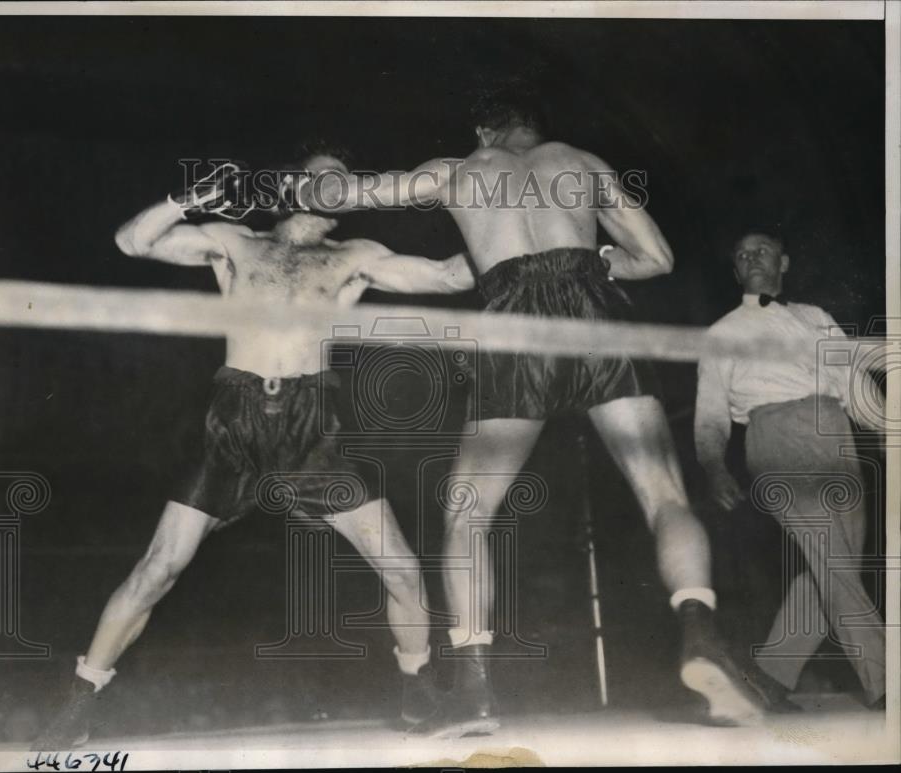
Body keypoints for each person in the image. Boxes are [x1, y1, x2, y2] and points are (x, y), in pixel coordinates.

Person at [295, 86, 765, 735]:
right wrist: (599, 260)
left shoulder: (459, 170)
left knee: (467, 512)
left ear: (483, 132)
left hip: (515, 319)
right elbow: (658, 259)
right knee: (664, 493)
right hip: (595, 311)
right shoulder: (584, 163)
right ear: (535, 129)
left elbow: (345, 196)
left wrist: (311, 180)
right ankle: (701, 634)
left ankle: (475, 690)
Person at [32, 149, 476, 750]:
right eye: (322, 177)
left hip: (313, 430)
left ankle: (417, 690)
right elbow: (133, 242)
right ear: (292, 184)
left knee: (400, 566)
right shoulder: (234, 242)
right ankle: (78, 702)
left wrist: (507, 232)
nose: (333, 188)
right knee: (158, 567)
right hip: (233, 426)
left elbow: (450, 276)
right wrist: (188, 200)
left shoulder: (356, 256)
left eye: (343, 183)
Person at [694, 231, 886, 711]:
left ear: (784, 262)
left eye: (761, 250)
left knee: (837, 568)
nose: (751, 258)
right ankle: (887, 681)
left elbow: (852, 379)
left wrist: (888, 431)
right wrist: (714, 465)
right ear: (736, 272)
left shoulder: (815, 317)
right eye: (742, 255)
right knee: (834, 565)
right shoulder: (722, 333)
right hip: (776, 436)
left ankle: (770, 675)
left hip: (835, 433)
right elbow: (711, 412)